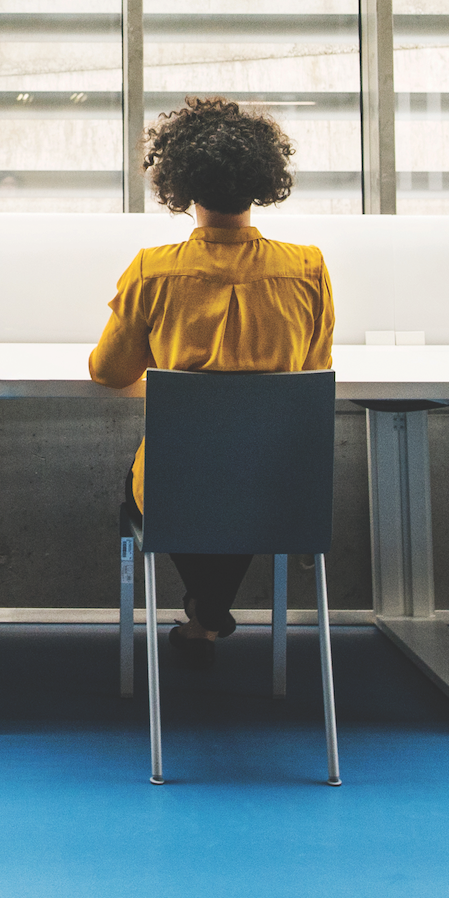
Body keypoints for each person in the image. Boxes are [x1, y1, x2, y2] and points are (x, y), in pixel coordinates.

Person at [88, 97, 334, 670]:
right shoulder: (307, 267)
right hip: (279, 490)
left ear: (181, 186)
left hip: (179, 487)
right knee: (242, 479)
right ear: (262, 182)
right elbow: (314, 369)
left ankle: (206, 611)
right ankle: (205, 612)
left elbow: (109, 372)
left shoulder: (153, 268)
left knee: (174, 482)